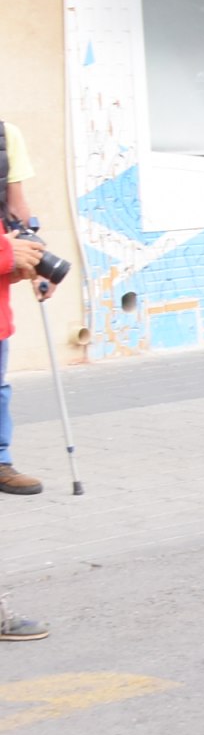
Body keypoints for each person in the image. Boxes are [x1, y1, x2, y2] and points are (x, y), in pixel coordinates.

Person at [0, 116, 54, 498]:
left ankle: (0, 462)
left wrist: (35, 260)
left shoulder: (6, 135)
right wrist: (6, 252)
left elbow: (17, 213)